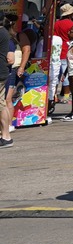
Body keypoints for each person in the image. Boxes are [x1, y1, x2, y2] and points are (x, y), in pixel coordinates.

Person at [55, 3, 73, 121]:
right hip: (69, 52)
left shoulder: (56, 23)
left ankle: (54, 96)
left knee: (57, 76)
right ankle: (66, 96)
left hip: (57, 51)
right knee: (67, 76)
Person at [0, 13, 20, 147]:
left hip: (1, 72)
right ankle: (6, 135)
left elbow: (11, 59)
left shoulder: (2, 33)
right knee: (3, 103)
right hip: (3, 72)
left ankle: (6, 136)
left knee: (2, 104)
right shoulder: (5, 33)